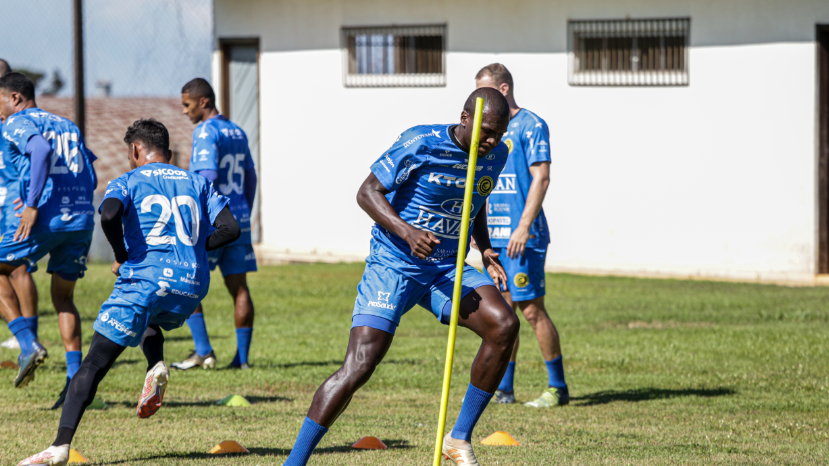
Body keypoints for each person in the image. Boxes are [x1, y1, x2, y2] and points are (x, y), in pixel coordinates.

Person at [281, 87, 518, 466]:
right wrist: (407, 232)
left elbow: (477, 199)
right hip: (394, 263)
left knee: (504, 324)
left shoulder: (496, 154)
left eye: (499, 133)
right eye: (486, 131)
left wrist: (485, 247)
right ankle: (293, 462)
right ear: (464, 118)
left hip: (445, 266)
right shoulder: (420, 141)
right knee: (360, 365)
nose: (492, 141)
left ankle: (457, 439)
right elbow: (367, 192)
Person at [18, 119, 239, 466]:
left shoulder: (128, 180)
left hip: (148, 279)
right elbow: (231, 228)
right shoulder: (197, 182)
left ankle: (59, 447)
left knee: (93, 364)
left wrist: (122, 256)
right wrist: (194, 248)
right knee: (147, 314)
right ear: (166, 149)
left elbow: (108, 214)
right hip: (192, 287)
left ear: (135, 149)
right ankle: (156, 365)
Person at [475, 63, 569, 407]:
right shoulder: (485, 131)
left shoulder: (531, 126)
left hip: (521, 237)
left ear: (501, 90)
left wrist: (524, 225)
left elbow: (541, 178)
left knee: (531, 311)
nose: (477, 102)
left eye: (482, 94)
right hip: (494, 238)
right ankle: (505, 390)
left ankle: (557, 388)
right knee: (503, 313)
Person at [0, 72, 96, 403]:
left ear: (14, 98)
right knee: (64, 299)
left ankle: (27, 344)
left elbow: (38, 151)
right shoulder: (67, 124)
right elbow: (90, 172)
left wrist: (31, 202)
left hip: (47, 219)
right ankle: (73, 386)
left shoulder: (17, 121)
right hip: (81, 219)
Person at [173, 78, 258, 370]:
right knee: (240, 288)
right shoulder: (238, 130)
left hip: (213, 221)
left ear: (203, 102)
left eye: (187, 105)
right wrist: (243, 209)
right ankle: (242, 360)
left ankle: (203, 351)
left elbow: (207, 178)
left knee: (187, 281)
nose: (185, 111)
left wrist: (197, 218)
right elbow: (251, 177)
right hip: (240, 218)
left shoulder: (206, 131)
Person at [0, 60, 40, 355]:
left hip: (12, 200)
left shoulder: (16, 120)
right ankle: (27, 336)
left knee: (18, 268)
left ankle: (28, 337)